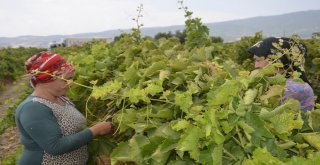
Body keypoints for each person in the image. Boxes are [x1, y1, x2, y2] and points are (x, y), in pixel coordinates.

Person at [15, 51, 113, 165]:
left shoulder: (61, 98)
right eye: (65, 79)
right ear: (47, 79)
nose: (70, 83)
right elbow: (55, 147)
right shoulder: (32, 108)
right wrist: (96, 130)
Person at [248, 37, 314, 112]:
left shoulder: (295, 88)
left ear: (278, 60)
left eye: (258, 60)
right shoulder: (271, 82)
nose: (256, 66)